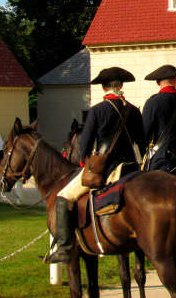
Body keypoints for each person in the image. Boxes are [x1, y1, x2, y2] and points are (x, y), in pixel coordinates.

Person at [45, 67, 145, 264]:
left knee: (64, 197)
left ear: (104, 88)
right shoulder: (133, 110)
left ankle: (64, 248)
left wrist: (85, 163)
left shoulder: (97, 111)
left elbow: (85, 145)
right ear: (121, 86)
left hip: (109, 169)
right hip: (131, 168)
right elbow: (140, 141)